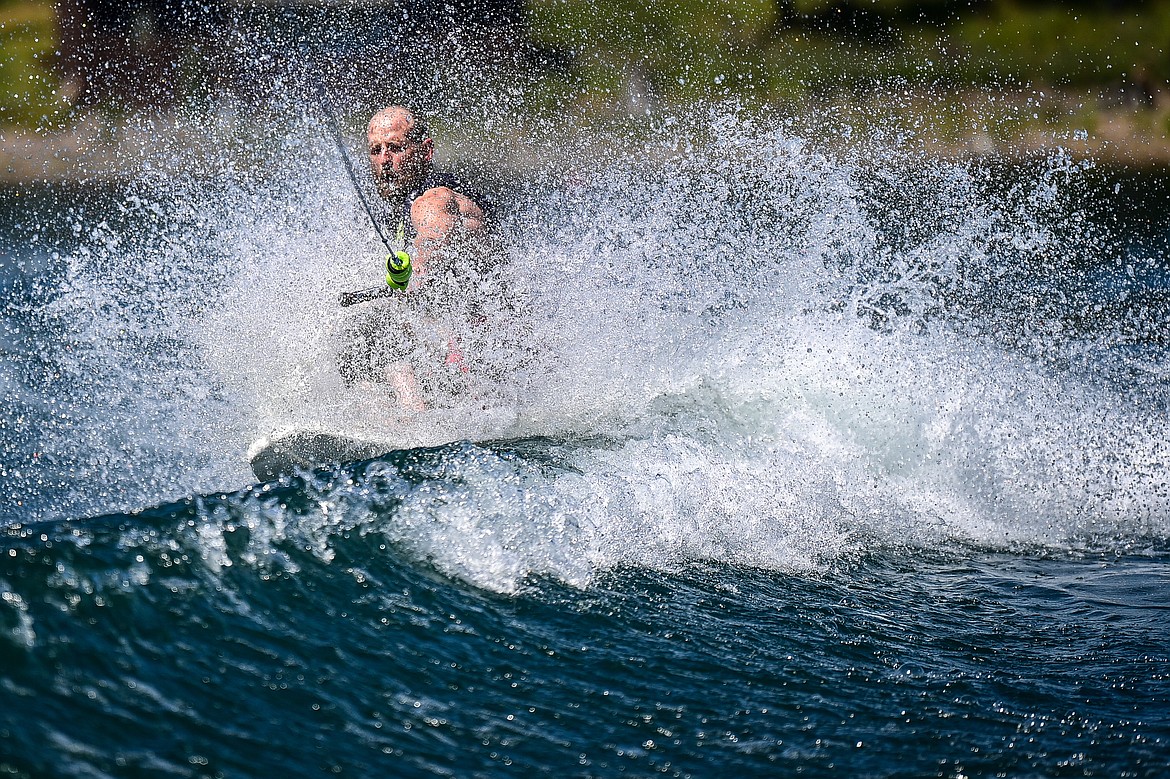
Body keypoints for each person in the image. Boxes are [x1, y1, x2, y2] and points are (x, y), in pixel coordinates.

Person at [339, 105, 502, 411]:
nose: (384, 161)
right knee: (356, 341)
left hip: (493, 348)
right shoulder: (399, 207)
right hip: (459, 343)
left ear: (425, 151)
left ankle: (414, 420)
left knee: (378, 325)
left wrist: (419, 271)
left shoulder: (435, 198)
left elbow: (434, 233)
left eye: (395, 148)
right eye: (376, 150)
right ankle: (383, 417)